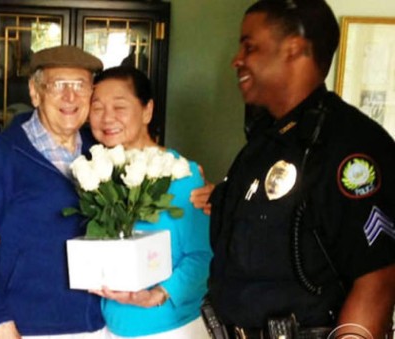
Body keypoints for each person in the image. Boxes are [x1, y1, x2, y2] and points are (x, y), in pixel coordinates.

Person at [207, 0, 395, 338]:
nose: (237, 59)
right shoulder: (265, 141)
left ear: (294, 50)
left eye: (250, 47)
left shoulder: (348, 145)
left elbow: (377, 278)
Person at [0, 45, 106, 338]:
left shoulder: (102, 154)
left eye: (80, 86)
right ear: (35, 92)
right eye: (58, 85)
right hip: (27, 327)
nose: (70, 97)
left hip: (101, 322)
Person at [87, 66, 212, 339]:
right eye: (96, 108)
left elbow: (203, 256)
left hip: (171, 327)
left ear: (147, 110)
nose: (107, 118)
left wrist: (157, 295)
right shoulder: (96, 173)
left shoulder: (183, 175)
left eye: (119, 107)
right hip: (111, 325)